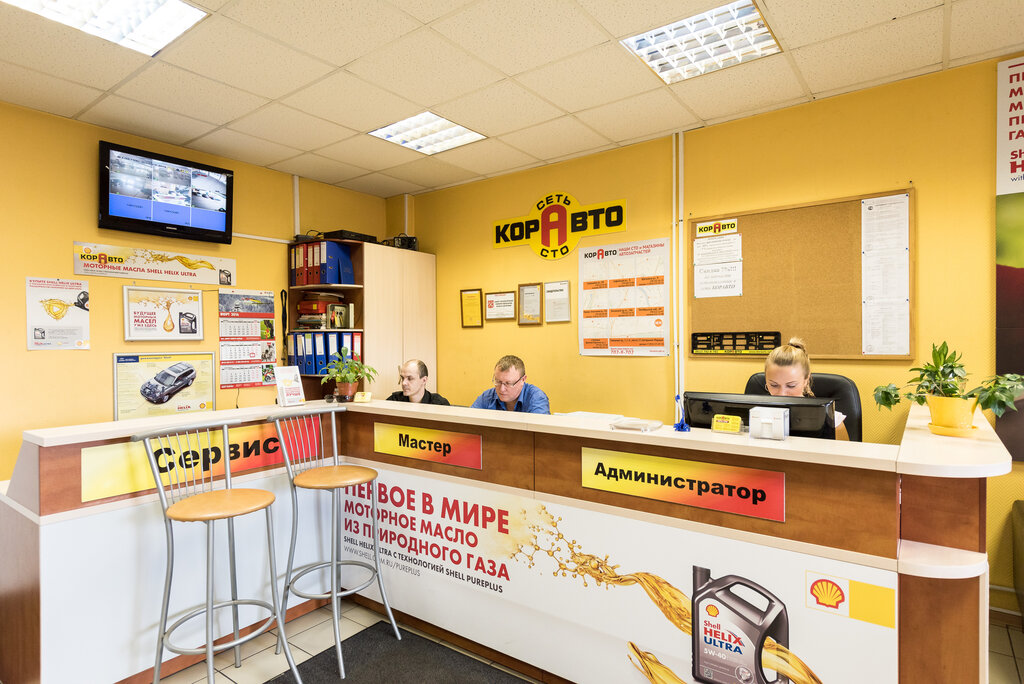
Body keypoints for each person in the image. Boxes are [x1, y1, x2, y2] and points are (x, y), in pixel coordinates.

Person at [764, 337, 849, 441]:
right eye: (774, 385)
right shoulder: (755, 416)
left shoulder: (833, 421)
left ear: (806, 380)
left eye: (791, 386)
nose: (782, 394)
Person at [471, 355, 549, 414]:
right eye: (498, 381)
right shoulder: (487, 397)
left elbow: (539, 430)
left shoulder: (537, 398)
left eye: (508, 383)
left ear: (522, 380)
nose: (502, 389)